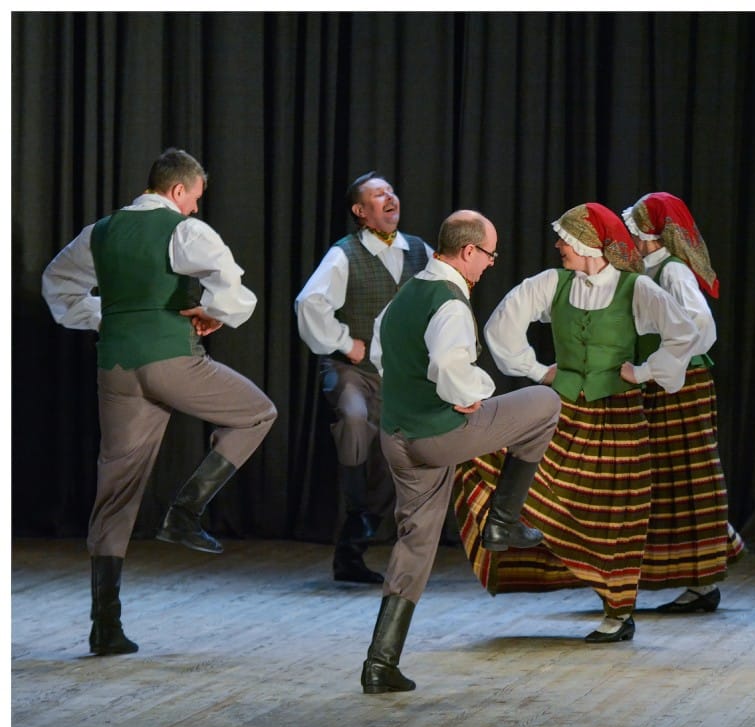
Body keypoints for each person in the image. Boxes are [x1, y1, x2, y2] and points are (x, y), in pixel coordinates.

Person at [41, 147, 278, 655]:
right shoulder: (183, 230)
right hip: (170, 359)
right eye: (194, 198)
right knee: (258, 413)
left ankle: (105, 626)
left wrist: (109, 316)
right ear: (177, 190)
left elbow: (56, 284)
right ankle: (186, 511)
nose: (195, 207)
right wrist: (213, 312)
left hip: (115, 366)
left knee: (116, 488)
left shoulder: (100, 232)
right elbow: (231, 286)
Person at [452, 202, 700, 642]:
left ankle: (618, 612)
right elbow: (501, 325)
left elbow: (684, 332)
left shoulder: (635, 288)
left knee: (616, 514)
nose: (558, 246)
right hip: (562, 412)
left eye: (564, 240)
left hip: (619, 418)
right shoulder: (553, 283)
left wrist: (645, 372)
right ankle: (507, 526)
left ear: (587, 244)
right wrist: (537, 370)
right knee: (502, 464)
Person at [359, 209, 561, 694]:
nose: (490, 263)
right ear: (469, 250)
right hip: (438, 434)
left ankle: (380, 664)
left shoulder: (407, 293)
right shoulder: (449, 302)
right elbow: (451, 367)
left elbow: (380, 352)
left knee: (415, 542)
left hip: (397, 436)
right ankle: (503, 521)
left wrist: (421, 390)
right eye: (489, 254)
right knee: (545, 403)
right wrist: (472, 391)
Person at [295, 171, 434, 584]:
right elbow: (309, 303)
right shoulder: (345, 254)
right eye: (378, 194)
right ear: (360, 210)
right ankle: (357, 515)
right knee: (355, 421)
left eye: (391, 191)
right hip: (352, 370)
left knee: (395, 454)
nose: (390, 197)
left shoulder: (419, 252)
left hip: (400, 376)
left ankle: (354, 547)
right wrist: (344, 342)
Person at [620, 191, 745, 613]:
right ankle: (695, 571)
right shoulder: (649, 269)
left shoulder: (672, 271)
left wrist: (659, 365)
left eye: (634, 227)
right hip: (664, 383)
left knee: (691, 477)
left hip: (682, 384)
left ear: (649, 232)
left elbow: (700, 327)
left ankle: (704, 580)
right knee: (668, 478)